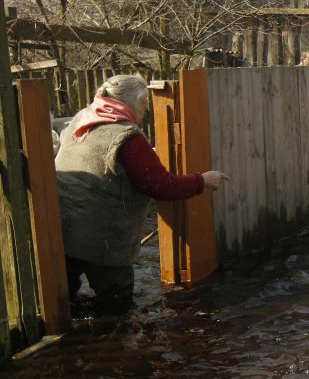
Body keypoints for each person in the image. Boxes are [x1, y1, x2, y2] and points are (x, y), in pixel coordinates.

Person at [55, 74, 230, 314]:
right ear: (139, 104)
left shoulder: (80, 120)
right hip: (102, 241)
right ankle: (114, 344)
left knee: (65, 304)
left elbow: (105, 159)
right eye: (145, 104)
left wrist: (147, 155)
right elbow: (161, 186)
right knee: (117, 307)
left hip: (63, 233)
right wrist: (203, 181)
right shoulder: (126, 136)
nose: (146, 109)